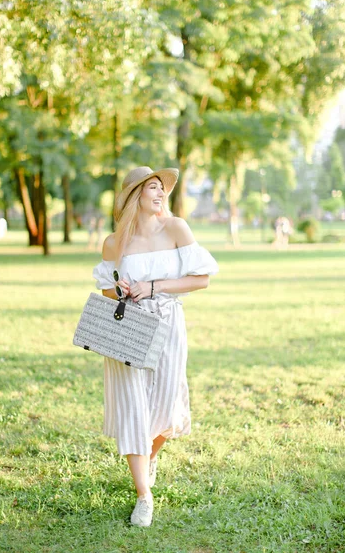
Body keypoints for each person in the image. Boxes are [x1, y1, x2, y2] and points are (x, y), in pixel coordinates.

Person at [92, 166, 219, 527]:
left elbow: (202, 279)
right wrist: (119, 290)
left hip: (168, 323)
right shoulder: (114, 242)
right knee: (133, 407)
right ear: (134, 195)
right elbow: (105, 287)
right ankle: (143, 495)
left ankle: (148, 457)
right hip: (128, 326)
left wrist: (155, 287)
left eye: (162, 187)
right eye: (152, 187)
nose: (160, 192)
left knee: (167, 405)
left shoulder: (176, 228)